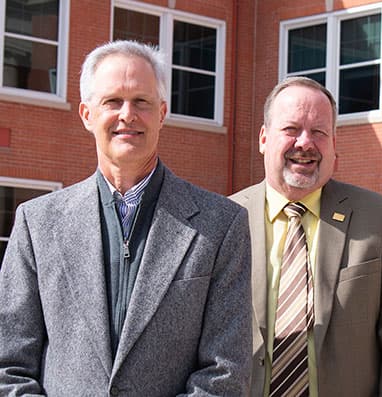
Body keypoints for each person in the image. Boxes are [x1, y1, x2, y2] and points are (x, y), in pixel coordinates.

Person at [0, 40, 252, 396]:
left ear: (162, 112)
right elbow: (7, 364)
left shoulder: (221, 225)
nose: (127, 115)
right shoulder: (37, 224)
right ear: (87, 114)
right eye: (112, 101)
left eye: (141, 102)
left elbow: (226, 372)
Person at [231, 76, 382, 396]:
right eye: (291, 129)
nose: (305, 143)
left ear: (334, 144)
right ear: (264, 138)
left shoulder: (381, 221)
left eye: (319, 132)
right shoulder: (224, 219)